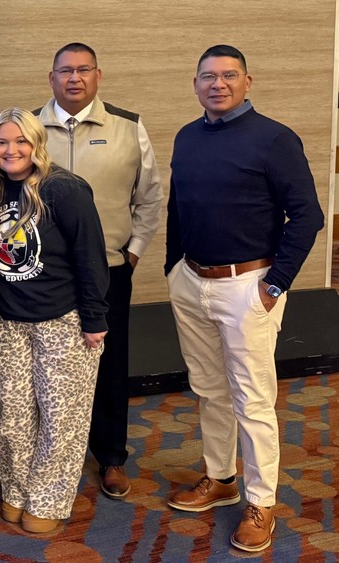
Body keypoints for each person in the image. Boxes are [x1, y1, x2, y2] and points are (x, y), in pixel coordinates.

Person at [164, 45, 324, 553]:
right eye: (208, 77)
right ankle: (221, 478)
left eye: (229, 75)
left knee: (252, 400)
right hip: (191, 281)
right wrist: (173, 268)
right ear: (195, 85)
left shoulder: (275, 140)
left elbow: (308, 217)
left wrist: (275, 284)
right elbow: (177, 204)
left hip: (248, 287)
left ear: (248, 81)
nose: (218, 84)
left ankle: (261, 501)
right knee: (209, 389)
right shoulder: (187, 137)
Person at [34, 42, 164, 499]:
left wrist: (133, 252)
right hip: (42, 275)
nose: (74, 78)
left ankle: (110, 456)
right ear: (51, 78)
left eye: (83, 70)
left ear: (98, 75)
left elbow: (148, 197)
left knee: (108, 364)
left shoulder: (128, 127)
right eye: (65, 71)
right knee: (44, 369)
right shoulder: (28, 129)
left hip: (109, 269)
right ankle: (45, 454)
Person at [0, 108, 108, 534]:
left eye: (20, 141)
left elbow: (91, 258)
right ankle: (17, 493)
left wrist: (95, 319)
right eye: (2, 142)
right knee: (15, 414)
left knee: (61, 418)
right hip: (10, 323)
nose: (11, 150)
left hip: (64, 321)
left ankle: (50, 500)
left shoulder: (64, 189)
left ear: (37, 144)